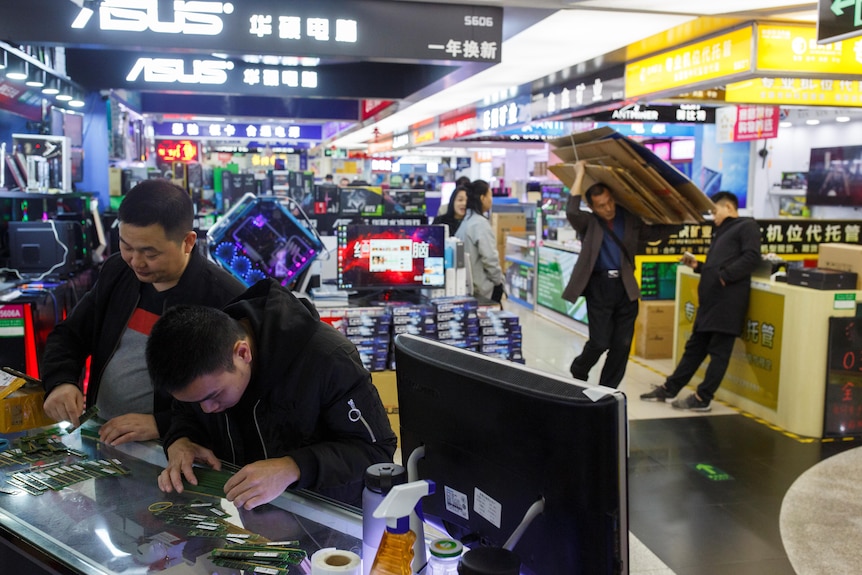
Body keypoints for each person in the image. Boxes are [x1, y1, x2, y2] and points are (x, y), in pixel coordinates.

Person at [146, 279, 397, 508]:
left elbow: (376, 452)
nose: (207, 409)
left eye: (214, 396)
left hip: (326, 525)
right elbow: (185, 414)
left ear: (242, 353)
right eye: (196, 401)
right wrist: (180, 440)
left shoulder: (329, 359)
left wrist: (293, 467)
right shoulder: (200, 362)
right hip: (246, 520)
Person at [41, 180, 246, 445]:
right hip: (103, 437)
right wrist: (61, 381)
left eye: (150, 252)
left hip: (175, 448)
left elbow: (236, 394)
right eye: (126, 246)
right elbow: (70, 336)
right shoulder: (118, 272)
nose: (136, 262)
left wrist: (162, 423)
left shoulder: (224, 298)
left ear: (188, 241)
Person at [640, 191, 761, 411]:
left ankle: (702, 397)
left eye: (715, 211)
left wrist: (726, 276)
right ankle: (670, 388)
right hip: (711, 303)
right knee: (694, 348)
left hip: (728, 303)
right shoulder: (722, 232)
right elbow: (718, 266)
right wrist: (699, 267)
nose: (713, 216)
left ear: (729, 208)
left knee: (719, 353)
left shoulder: (746, 226)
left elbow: (752, 256)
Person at [562, 160, 643, 389]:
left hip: (626, 288)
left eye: (609, 202)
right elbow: (571, 210)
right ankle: (580, 367)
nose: (608, 208)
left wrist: (682, 216)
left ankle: (607, 390)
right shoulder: (588, 223)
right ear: (593, 207)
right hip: (599, 288)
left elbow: (655, 231)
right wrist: (579, 174)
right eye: (601, 205)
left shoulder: (628, 219)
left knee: (622, 344)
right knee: (599, 342)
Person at [455, 180, 505, 302]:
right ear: (483, 198)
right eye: (490, 195)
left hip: (468, 287)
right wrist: (499, 282)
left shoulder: (466, 222)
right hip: (483, 290)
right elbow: (490, 258)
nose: (491, 199)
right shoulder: (480, 224)